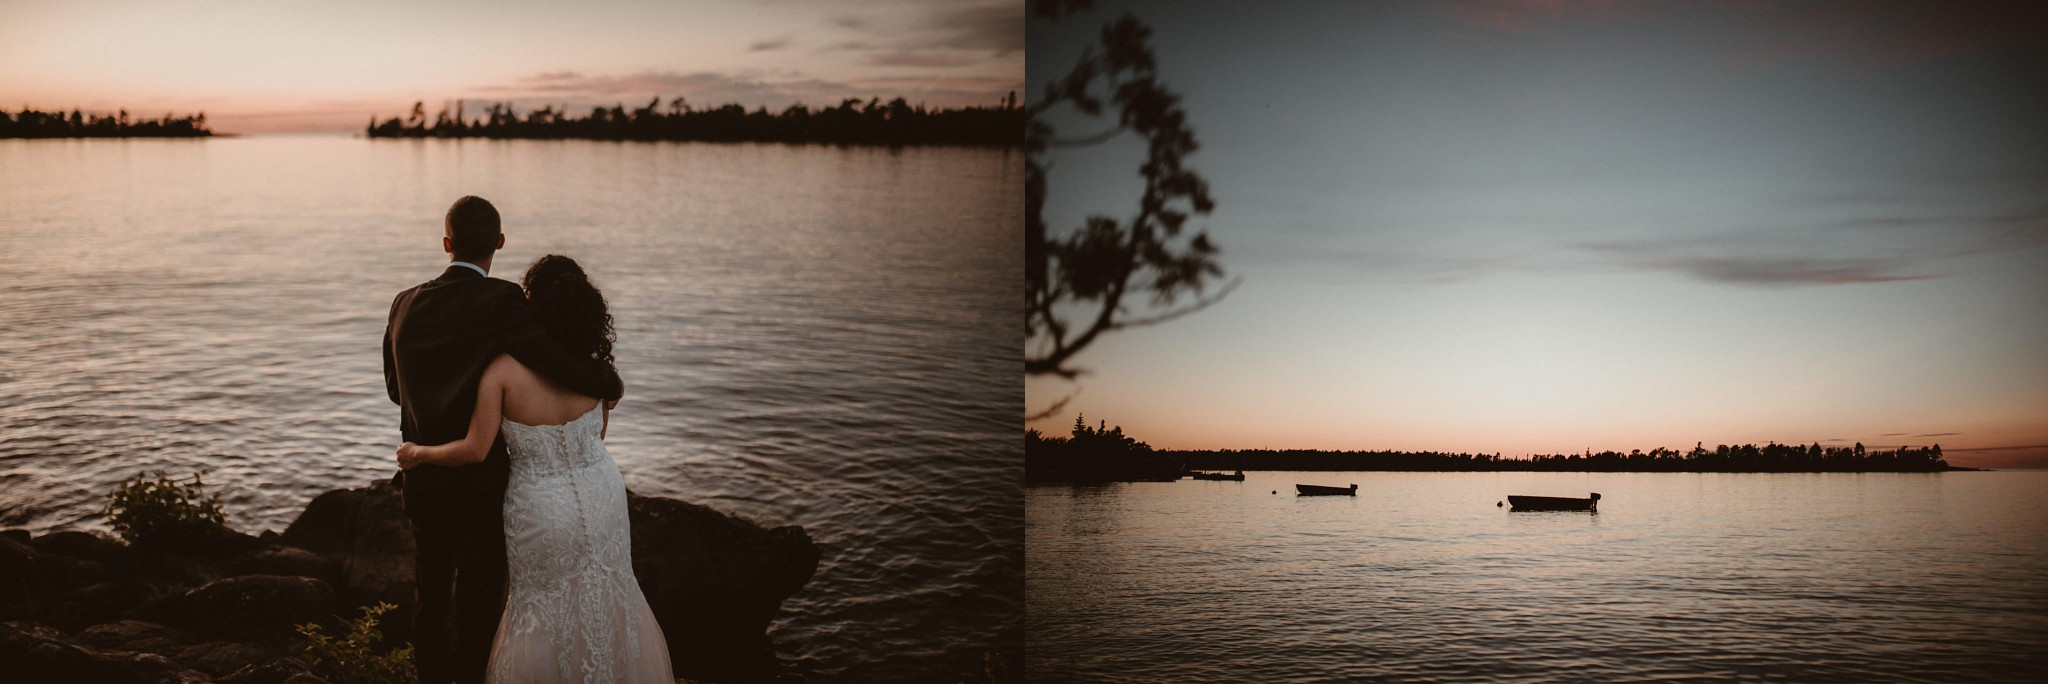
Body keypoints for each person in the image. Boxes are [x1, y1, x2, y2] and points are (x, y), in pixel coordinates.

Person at [396, 254, 671, 683]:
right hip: (601, 493)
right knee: (609, 597)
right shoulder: (594, 368)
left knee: (542, 608)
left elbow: (474, 449)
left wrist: (417, 454)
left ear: (530, 304)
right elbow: (596, 434)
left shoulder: (503, 370)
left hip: (540, 505)